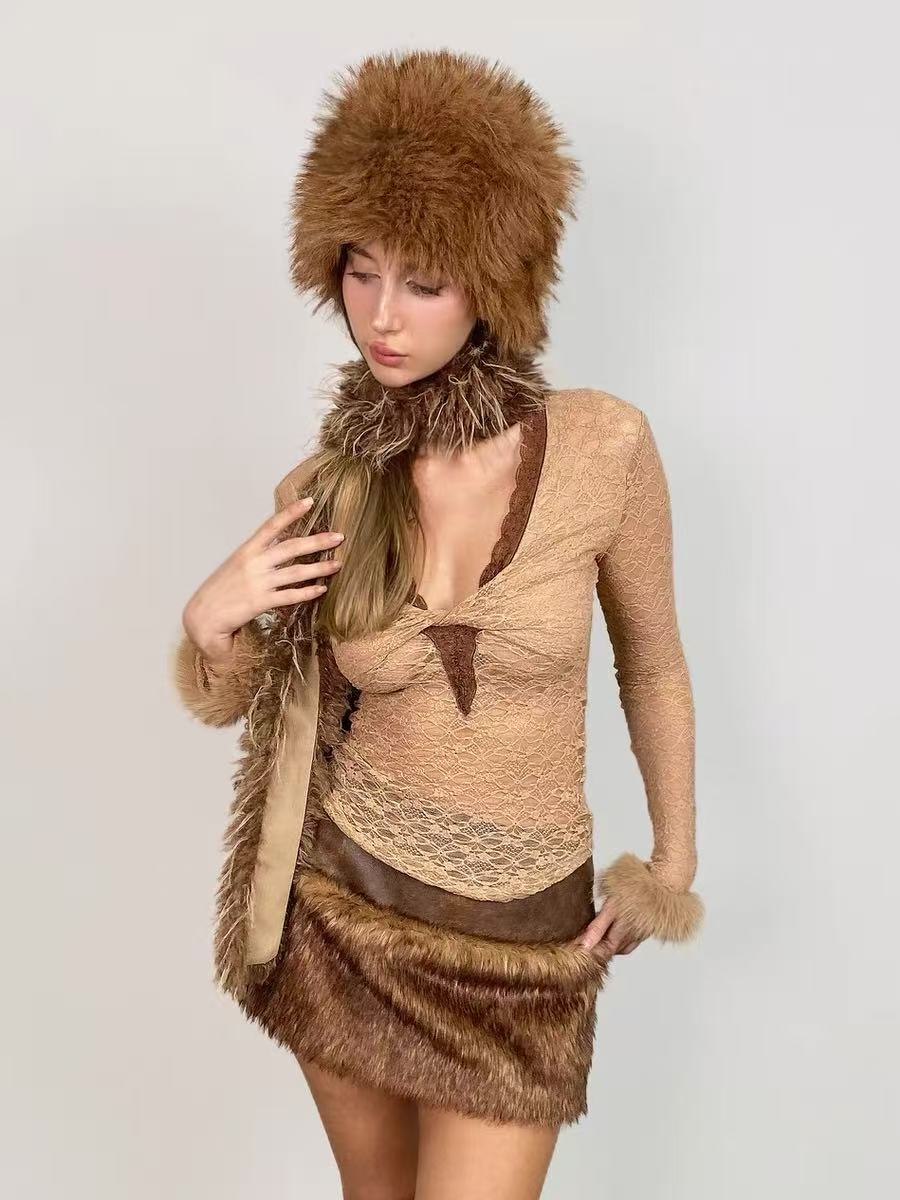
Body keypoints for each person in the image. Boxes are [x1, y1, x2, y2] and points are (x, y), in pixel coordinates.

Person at [171, 47, 704, 1200]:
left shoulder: (603, 448)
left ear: (495, 282)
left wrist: (670, 863)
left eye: (424, 282)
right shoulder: (330, 486)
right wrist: (211, 621)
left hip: (526, 948)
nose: (382, 316)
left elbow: (654, 664)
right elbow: (245, 698)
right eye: (360, 272)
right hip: (344, 915)